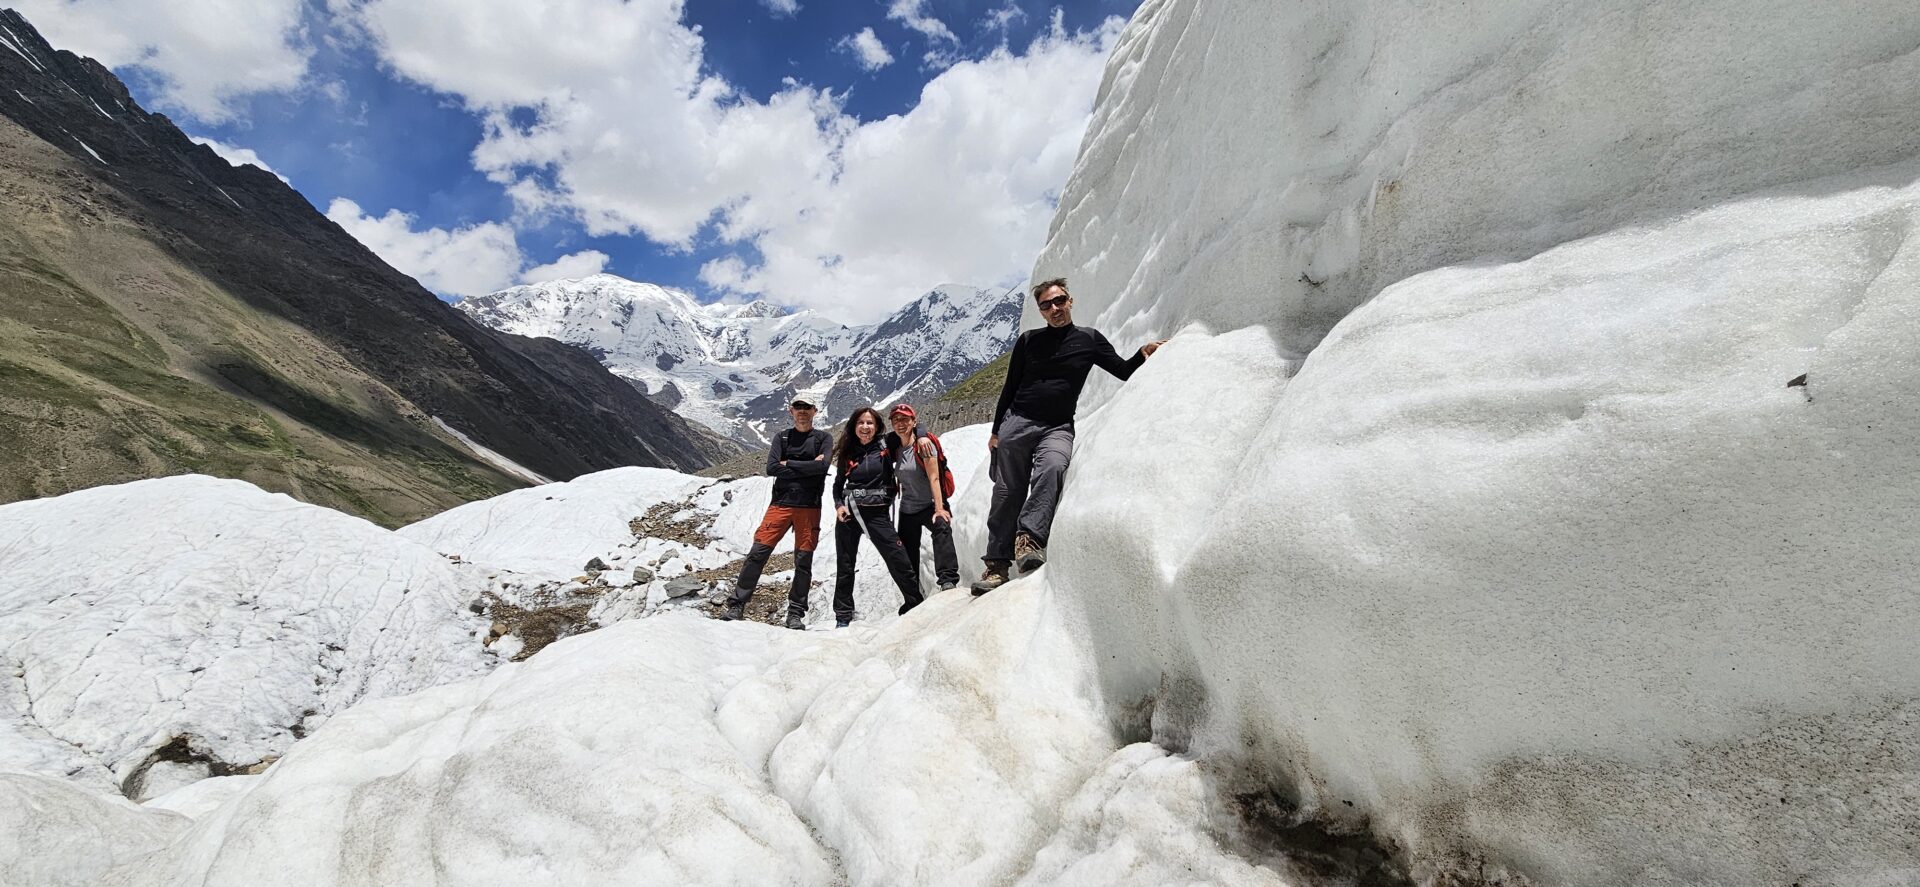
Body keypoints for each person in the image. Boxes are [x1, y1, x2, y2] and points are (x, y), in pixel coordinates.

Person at [972, 277, 1165, 595]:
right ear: (1041, 310)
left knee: (1053, 467)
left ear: (1070, 301)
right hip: (1017, 421)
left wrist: (1143, 353)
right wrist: (996, 430)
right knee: (1007, 491)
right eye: (1047, 305)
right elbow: (1010, 386)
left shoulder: (1089, 340)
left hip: (1057, 426)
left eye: (1059, 301)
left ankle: (1029, 540)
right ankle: (996, 567)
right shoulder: (1028, 341)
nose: (1054, 308)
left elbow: (1122, 370)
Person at [722, 399, 831, 629]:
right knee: (758, 552)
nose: (802, 412)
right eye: (798, 408)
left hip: (809, 507)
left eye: (807, 408)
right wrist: (809, 467)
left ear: (814, 411)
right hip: (781, 504)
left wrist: (788, 464)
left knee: (803, 561)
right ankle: (737, 604)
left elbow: (823, 468)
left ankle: (795, 614)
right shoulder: (781, 437)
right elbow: (771, 468)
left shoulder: (823, 439)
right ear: (791, 411)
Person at [831, 406, 924, 627]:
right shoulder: (848, 451)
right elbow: (838, 485)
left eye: (870, 423)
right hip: (849, 513)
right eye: (861, 423)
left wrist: (922, 437)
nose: (865, 427)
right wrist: (838, 506)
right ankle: (843, 616)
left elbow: (914, 427)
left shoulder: (886, 444)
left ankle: (915, 603)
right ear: (854, 426)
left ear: (877, 427)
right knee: (845, 564)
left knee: (897, 557)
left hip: (876, 513)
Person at [884, 403, 959, 593]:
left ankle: (948, 580)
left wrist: (940, 509)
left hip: (930, 504)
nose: (900, 424)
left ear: (913, 421)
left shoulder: (924, 445)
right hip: (908, 508)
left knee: (942, 530)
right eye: (896, 420)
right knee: (907, 552)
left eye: (905, 419)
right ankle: (912, 595)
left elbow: (934, 477)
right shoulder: (895, 446)